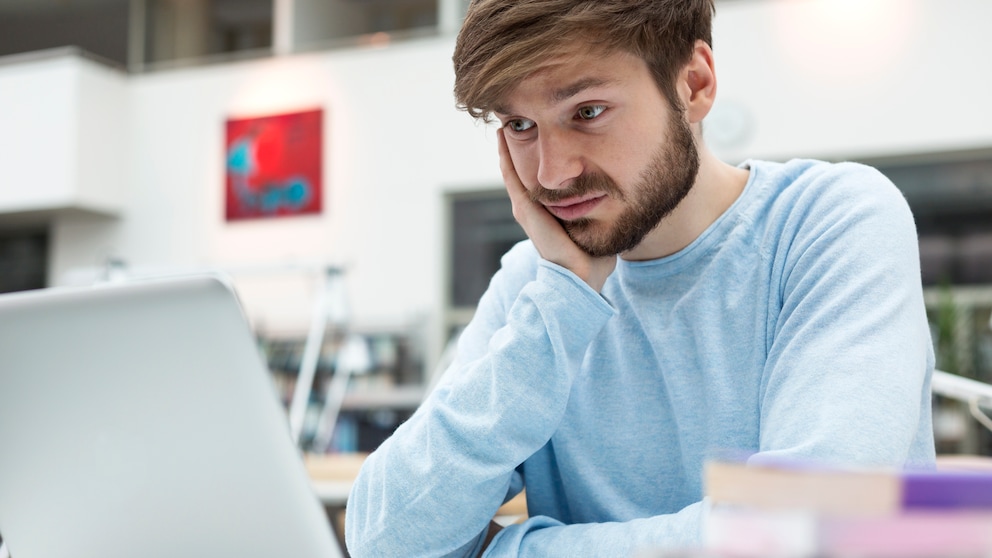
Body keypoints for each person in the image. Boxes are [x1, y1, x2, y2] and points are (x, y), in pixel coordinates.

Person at [345, 0, 936, 556]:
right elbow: (385, 538)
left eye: (588, 112)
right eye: (520, 125)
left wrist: (514, 549)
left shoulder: (830, 220)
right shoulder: (540, 281)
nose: (552, 174)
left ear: (695, 84)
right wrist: (560, 306)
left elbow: (818, 527)